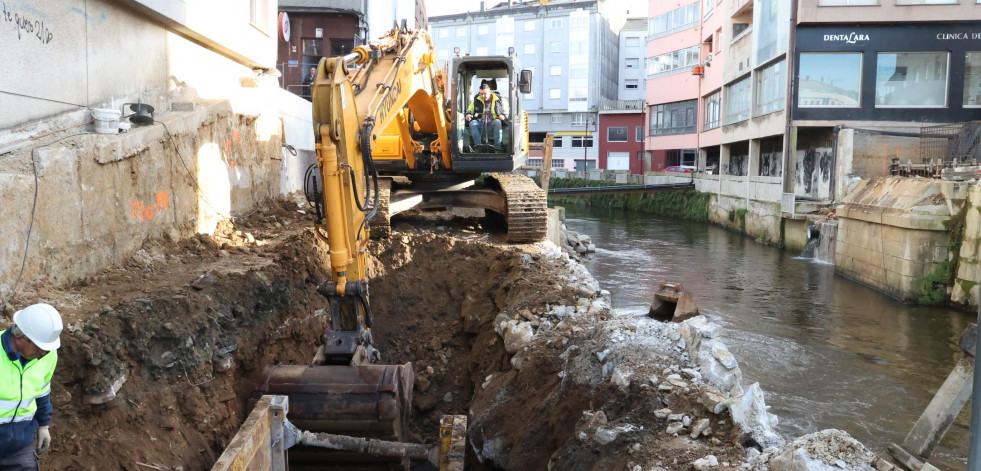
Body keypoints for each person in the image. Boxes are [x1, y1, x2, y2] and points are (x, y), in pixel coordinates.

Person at [0, 303, 62, 471]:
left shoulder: (47, 355)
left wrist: (43, 426)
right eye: (40, 347)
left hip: (20, 444)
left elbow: (42, 392)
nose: (44, 353)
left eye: (48, 349)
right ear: (20, 338)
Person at [465, 83, 508, 150]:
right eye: (481, 94)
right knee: (472, 123)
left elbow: (506, 109)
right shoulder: (477, 99)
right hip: (481, 123)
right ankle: (478, 146)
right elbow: (470, 108)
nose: (483, 96)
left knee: (497, 122)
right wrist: (468, 114)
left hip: (492, 122)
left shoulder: (498, 99)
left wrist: (503, 115)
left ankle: (497, 148)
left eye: (485, 93)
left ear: (490, 92)